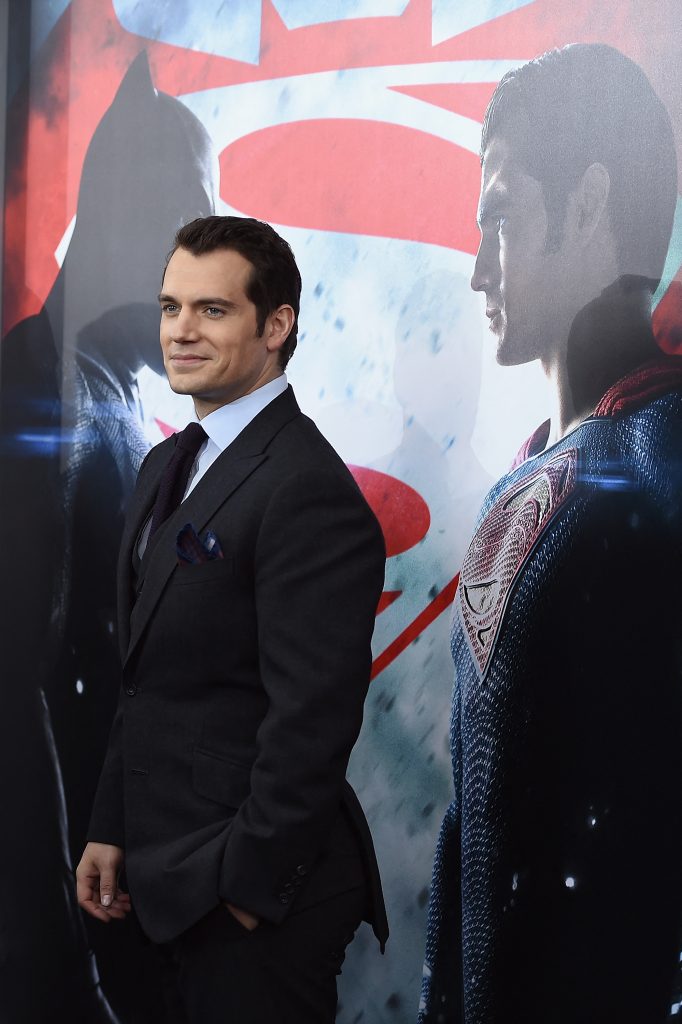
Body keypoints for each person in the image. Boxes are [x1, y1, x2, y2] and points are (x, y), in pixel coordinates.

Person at [419, 43, 682, 1024]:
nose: (477, 267)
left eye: (501, 216)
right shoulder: (528, 478)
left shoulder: (662, 459)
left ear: (589, 203)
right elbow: (470, 819)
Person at [76, 215, 388, 1024]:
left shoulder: (306, 487)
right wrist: (111, 825)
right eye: (170, 307)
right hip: (159, 877)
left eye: (211, 310)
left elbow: (313, 720)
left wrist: (247, 892)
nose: (180, 331)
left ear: (275, 327)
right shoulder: (165, 462)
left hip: (251, 899)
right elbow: (145, 677)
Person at [0, 52, 217, 1021]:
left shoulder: (111, 395)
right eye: (199, 226)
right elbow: (15, 697)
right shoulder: (43, 391)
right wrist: (69, 972)